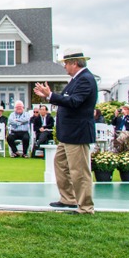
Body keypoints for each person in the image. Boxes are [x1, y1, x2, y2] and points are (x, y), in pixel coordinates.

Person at [34, 47, 98, 215]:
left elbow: (74, 102)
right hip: (69, 133)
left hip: (77, 133)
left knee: (79, 171)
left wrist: (50, 96)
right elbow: (66, 100)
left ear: (74, 63)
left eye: (66, 64)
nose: (64, 67)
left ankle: (85, 207)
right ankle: (68, 198)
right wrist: (48, 96)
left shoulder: (85, 79)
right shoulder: (77, 80)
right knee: (60, 163)